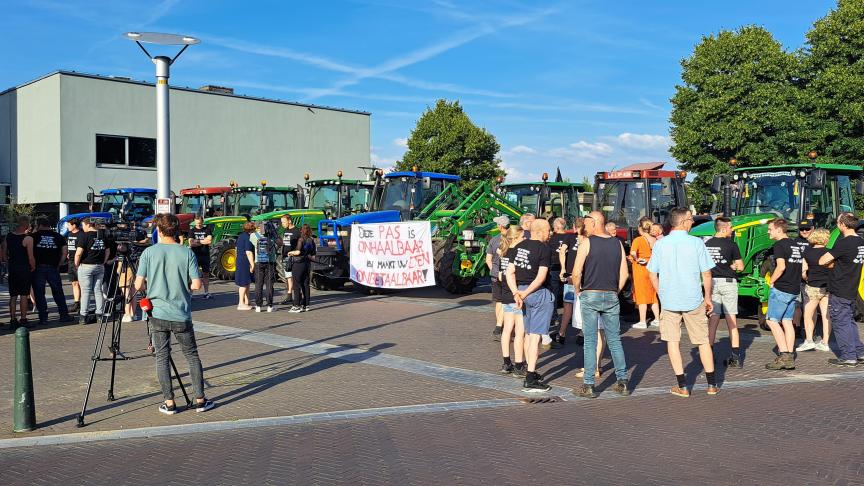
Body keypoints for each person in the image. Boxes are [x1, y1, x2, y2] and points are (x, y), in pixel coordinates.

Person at [134, 214, 215, 415]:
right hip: (180, 313)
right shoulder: (186, 253)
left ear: (159, 231)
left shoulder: (149, 253)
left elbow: (137, 284)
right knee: (192, 356)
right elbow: (196, 284)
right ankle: (199, 399)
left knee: (162, 357)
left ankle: (169, 402)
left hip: (157, 313)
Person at [647, 208, 719, 397]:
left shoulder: (660, 245)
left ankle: (683, 386)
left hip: (670, 300)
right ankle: (711, 384)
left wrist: (661, 293)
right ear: (684, 221)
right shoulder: (696, 243)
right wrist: (708, 297)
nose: (692, 222)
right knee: (703, 341)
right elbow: (707, 273)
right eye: (691, 219)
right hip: (693, 299)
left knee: (673, 341)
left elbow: (652, 273)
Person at [571, 211, 630, 398]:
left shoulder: (587, 243)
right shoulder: (617, 244)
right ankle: (622, 381)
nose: (585, 227)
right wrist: (615, 291)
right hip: (611, 294)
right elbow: (625, 274)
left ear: (596, 222)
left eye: (587, 223)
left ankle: (588, 384)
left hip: (590, 293)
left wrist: (579, 290)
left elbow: (576, 271)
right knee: (614, 339)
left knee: (590, 340)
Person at [505, 219, 554, 392]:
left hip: (521, 291)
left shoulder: (518, 247)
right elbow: (541, 277)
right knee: (535, 336)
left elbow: (509, 272)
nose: (550, 234)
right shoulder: (544, 249)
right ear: (540, 231)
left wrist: (516, 293)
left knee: (527, 333)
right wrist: (525, 293)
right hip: (538, 294)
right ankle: (531, 377)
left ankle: (529, 370)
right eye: (548, 231)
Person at [818, 213, 864, 366]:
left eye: (837, 222)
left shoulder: (844, 243)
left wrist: (831, 263)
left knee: (841, 322)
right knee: (849, 322)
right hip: (852, 286)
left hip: (840, 287)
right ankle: (860, 352)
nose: (837, 224)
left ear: (842, 225)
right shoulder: (860, 241)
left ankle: (848, 355)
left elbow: (822, 260)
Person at [704, 217, 744, 367]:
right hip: (728, 282)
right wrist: (732, 266)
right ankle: (735, 356)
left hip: (712, 283)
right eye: (731, 227)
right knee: (731, 319)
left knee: (713, 320)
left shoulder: (706, 244)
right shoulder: (731, 244)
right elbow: (740, 266)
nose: (732, 230)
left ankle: (708, 353)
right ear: (723, 228)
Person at [763, 218, 803, 370]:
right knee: (787, 321)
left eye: (770, 229)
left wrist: (771, 281)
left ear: (779, 230)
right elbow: (802, 265)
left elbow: (780, 267)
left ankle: (784, 355)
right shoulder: (795, 245)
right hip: (794, 288)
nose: (768, 232)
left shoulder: (779, 245)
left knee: (772, 321)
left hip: (782, 288)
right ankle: (790, 356)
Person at [31, 217, 74, 325]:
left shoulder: (34, 236)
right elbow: (65, 252)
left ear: (39, 225)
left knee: (39, 293)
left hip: (38, 268)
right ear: (49, 225)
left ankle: (43, 318)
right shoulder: (58, 236)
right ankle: (64, 315)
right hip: (53, 267)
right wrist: (59, 264)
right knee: (58, 292)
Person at [497, 225, 526, 375]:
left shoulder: (504, 252)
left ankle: (506, 362)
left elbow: (501, 276)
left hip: (506, 293)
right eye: (522, 237)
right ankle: (519, 364)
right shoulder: (518, 253)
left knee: (507, 328)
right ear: (516, 238)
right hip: (517, 293)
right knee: (520, 331)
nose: (525, 239)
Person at [552, 217, 584, 347]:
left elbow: (562, 252)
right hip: (584, 277)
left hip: (571, 276)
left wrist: (563, 268)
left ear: (575, 227)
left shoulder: (569, 238)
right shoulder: (590, 240)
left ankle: (561, 333)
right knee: (583, 306)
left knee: (568, 306)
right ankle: (582, 333)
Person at [798, 228, 831, 352]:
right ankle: (825, 342)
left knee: (808, 314)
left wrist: (807, 278)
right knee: (826, 315)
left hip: (813, 286)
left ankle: (809, 340)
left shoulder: (807, 252)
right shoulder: (830, 252)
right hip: (827, 286)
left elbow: (803, 271)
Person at [75, 218, 109, 325]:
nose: (82, 227)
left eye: (83, 225)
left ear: (88, 225)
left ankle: (83, 316)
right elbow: (107, 250)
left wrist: (76, 264)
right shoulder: (102, 235)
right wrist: (104, 261)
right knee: (98, 290)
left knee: (86, 292)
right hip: (99, 265)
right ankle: (99, 315)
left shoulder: (84, 236)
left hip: (86, 266)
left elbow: (79, 252)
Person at [4, 216, 35, 327]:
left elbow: (4, 253)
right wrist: (33, 266)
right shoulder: (28, 239)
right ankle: (23, 319)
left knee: (13, 295)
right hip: (24, 268)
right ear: (26, 225)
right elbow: (30, 257)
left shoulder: (9, 236)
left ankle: (12, 319)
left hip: (13, 268)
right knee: (23, 294)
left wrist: (9, 264)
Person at [545, 217, 570, 348]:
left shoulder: (551, 239)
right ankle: (568, 316)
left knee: (554, 293)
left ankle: (554, 316)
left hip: (555, 268)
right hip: (565, 269)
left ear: (556, 227)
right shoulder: (569, 238)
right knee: (567, 295)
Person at [630, 217, 659, 329]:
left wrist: (636, 259)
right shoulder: (655, 240)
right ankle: (657, 319)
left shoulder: (638, 240)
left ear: (640, 227)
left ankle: (642, 321)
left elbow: (633, 252)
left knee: (641, 295)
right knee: (653, 295)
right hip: (652, 269)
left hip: (640, 270)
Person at [487, 215, 510, 341]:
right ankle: (501, 326)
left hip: (496, 275)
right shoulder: (513, 239)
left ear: (500, 226)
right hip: (509, 275)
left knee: (499, 301)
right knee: (507, 302)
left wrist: (493, 271)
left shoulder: (493, 240)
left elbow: (488, 260)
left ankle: (499, 326)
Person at [288, 223, 316, 312]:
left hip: (298, 263)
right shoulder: (311, 240)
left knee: (296, 284)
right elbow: (313, 255)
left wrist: (290, 253)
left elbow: (298, 252)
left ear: (302, 231)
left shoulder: (301, 239)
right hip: (307, 264)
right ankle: (306, 305)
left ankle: (296, 305)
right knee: (305, 285)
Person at [183, 216, 212, 299]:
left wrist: (197, 241)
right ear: (195, 222)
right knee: (193, 274)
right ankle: (191, 294)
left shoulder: (207, 229)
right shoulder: (192, 231)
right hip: (195, 255)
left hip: (205, 255)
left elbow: (209, 241)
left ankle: (206, 292)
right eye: (197, 223)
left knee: (206, 274)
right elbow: (191, 243)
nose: (198, 224)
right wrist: (203, 241)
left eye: (200, 223)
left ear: (202, 222)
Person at [253, 221, 278, 312]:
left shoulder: (253, 236)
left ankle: (258, 306)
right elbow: (280, 243)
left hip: (258, 262)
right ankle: (269, 306)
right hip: (270, 262)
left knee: (258, 284)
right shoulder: (271, 237)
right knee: (269, 284)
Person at [279, 215, 300, 305]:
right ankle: (289, 296)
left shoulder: (297, 231)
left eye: (284, 222)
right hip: (285, 257)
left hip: (293, 258)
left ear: (289, 221)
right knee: (288, 277)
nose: (282, 224)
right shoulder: (285, 230)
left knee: (294, 277)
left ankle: (298, 296)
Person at [234, 222, 255, 311]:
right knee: (243, 283)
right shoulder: (247, 238)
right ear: (252, 229)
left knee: (247, 282)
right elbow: (248, 252)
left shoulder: (241, 236)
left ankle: (247, 301)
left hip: (240, 260)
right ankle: (240, 303)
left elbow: (236, 249)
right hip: (244, 262)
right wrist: (253, 264)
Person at [65, 218, 82, 314]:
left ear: (74, 225)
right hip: (70, 261)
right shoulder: (69, 234)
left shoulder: (81, 234)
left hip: (78, 262)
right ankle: (76, 303)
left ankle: (82, 304)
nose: (67, 227)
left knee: (81, 283)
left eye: (69, 225)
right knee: (74, 283)